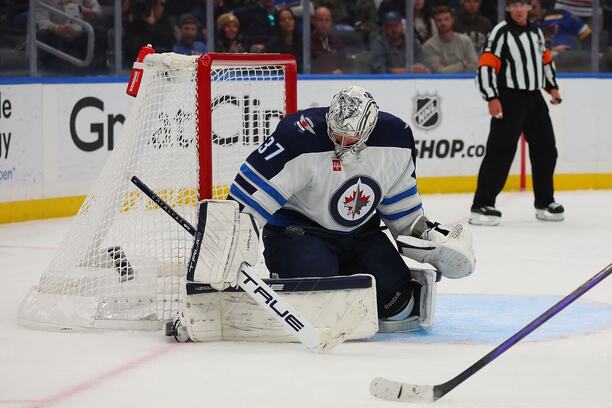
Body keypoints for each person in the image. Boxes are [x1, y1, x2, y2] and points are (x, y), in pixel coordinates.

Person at [227, 86, 475, 330]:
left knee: (399, 305)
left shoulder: (396, 140)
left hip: (360, 234)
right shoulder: (298, 137)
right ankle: (319, 272)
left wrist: (428, 237)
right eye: (336, 134)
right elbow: (249, 197)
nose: (342, 143)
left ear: (369, 130)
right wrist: (228, 247)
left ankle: (346, 273)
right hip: (300, 231)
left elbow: (402, 210)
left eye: (350, 137)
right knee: (320, 305)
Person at [471, 0, 564, 225]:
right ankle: (482, 204)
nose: (520, 9)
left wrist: (551, 86)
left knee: (546, 149)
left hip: (534, 98)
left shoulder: (536, 32)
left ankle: (544, 202)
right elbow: (485, 66)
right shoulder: (500, 32)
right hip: (509, 98)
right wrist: (491, 97)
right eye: (515, 5)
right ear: (509, 8)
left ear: (529, 7)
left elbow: (545, 61)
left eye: (524, 4)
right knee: (500, 151)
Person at [422, 6, 478, 73]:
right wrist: (462, 64)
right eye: (439, 20)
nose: (443, 23)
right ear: (435, 23)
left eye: (446, 19)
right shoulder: (428, 46)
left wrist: (446, 69)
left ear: (453, 20)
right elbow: (438, 73)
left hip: (466, 82)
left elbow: (475, 67)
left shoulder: (465, 41)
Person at [311, 6, 348, 74]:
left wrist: (341, 71)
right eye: (320, 20)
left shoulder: (337, 42)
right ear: (314, 21)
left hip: (335, 82)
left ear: (331, 22)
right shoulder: (308, 42)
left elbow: (345, 65)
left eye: (327, 20)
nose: (323, 24)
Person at [265, 7, 303, 72]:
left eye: (290, 18)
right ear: (278, 23)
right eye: (283, 20)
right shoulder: (272, 44)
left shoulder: (302, 41)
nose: (287, 21)